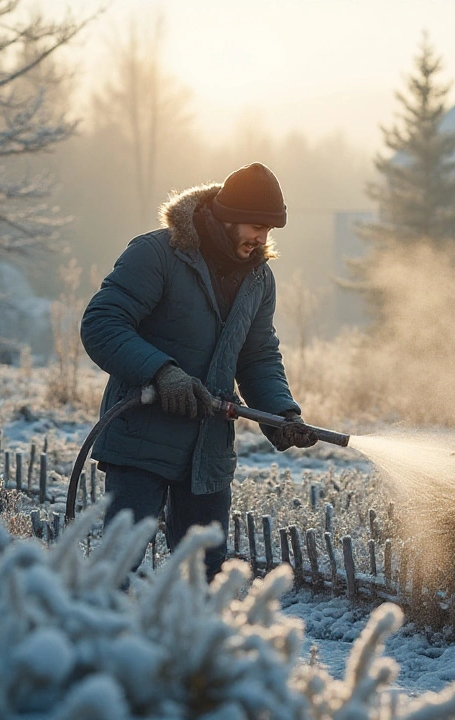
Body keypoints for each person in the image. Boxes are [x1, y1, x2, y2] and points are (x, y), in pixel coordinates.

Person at [81, 162, 318, 580]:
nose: (263, 239)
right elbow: (102, 324)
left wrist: (282, 414)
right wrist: (161, 372)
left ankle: (191, 646)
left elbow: (258, 356)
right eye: (256, 226)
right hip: (141, 441)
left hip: (208, 453)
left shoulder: (259, 280)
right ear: (226, 217)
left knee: (205, 575)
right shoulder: (156, 254)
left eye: (270, 230)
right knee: (117, 566)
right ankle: (95, 641)